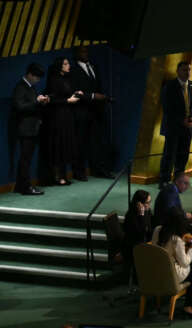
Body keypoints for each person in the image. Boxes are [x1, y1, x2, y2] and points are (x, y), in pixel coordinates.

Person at [153, 210, 192, 320]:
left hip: (156, 270)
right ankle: (189, 306)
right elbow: (185, 262)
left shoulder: (157, 230)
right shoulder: (176, 240)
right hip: (171, 275)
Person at [71, 46, 112, 179]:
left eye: (87, 51)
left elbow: (97, 86)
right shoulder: (73, 69)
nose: (86, 53)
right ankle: (79, 172)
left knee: (97, 142)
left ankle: (98, 169)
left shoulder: (94, 67)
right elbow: (75, 91)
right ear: (76, 53)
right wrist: (93, 96)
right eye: (82, 51)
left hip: (96, 111)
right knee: (80, 142)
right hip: (81, 111)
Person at [159, 60, 192, 183]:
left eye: (189, 69)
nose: (187, 72)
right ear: (177, 71)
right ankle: (164, 180)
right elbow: (167, 108)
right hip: (173, 127)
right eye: (184, 70)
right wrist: (181, 121)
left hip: (188, 127)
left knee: (183, 155)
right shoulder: (170, 86)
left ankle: (178, 180)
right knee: (169, 155)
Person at [9, 62, 48, 195]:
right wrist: (36, 101)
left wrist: (40, 102)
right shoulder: (21, 87)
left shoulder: (30, 87)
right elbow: (19, 106)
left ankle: (20, 186)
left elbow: (29, 104)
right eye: (37, 77)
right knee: (25, 159)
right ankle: (25, 187)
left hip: (31, 128)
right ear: (30, 74)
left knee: (26, 158)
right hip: (25, 129)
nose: (38, 80)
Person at [44, 56, 82, 186]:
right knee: (59, 145)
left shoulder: (67, 79)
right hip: (57, 117)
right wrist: (67, 100)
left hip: (67, 116)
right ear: (60, 66)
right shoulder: (54, 80)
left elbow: (66, 94)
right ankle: (58, 177)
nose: (68, 66)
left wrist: (75, 94)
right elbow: (52, 100)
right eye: (65, 64)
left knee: (66, 145)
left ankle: (63, 175)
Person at [122, 189, 153, 267]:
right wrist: (141, 215)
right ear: (139, 204)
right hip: (134, 247)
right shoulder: (131, 216)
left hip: (144, 244)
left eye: (150, 202)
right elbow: (140, 233)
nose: (149, 205)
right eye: (147, 202)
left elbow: (149, 229)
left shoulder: (147, 212)